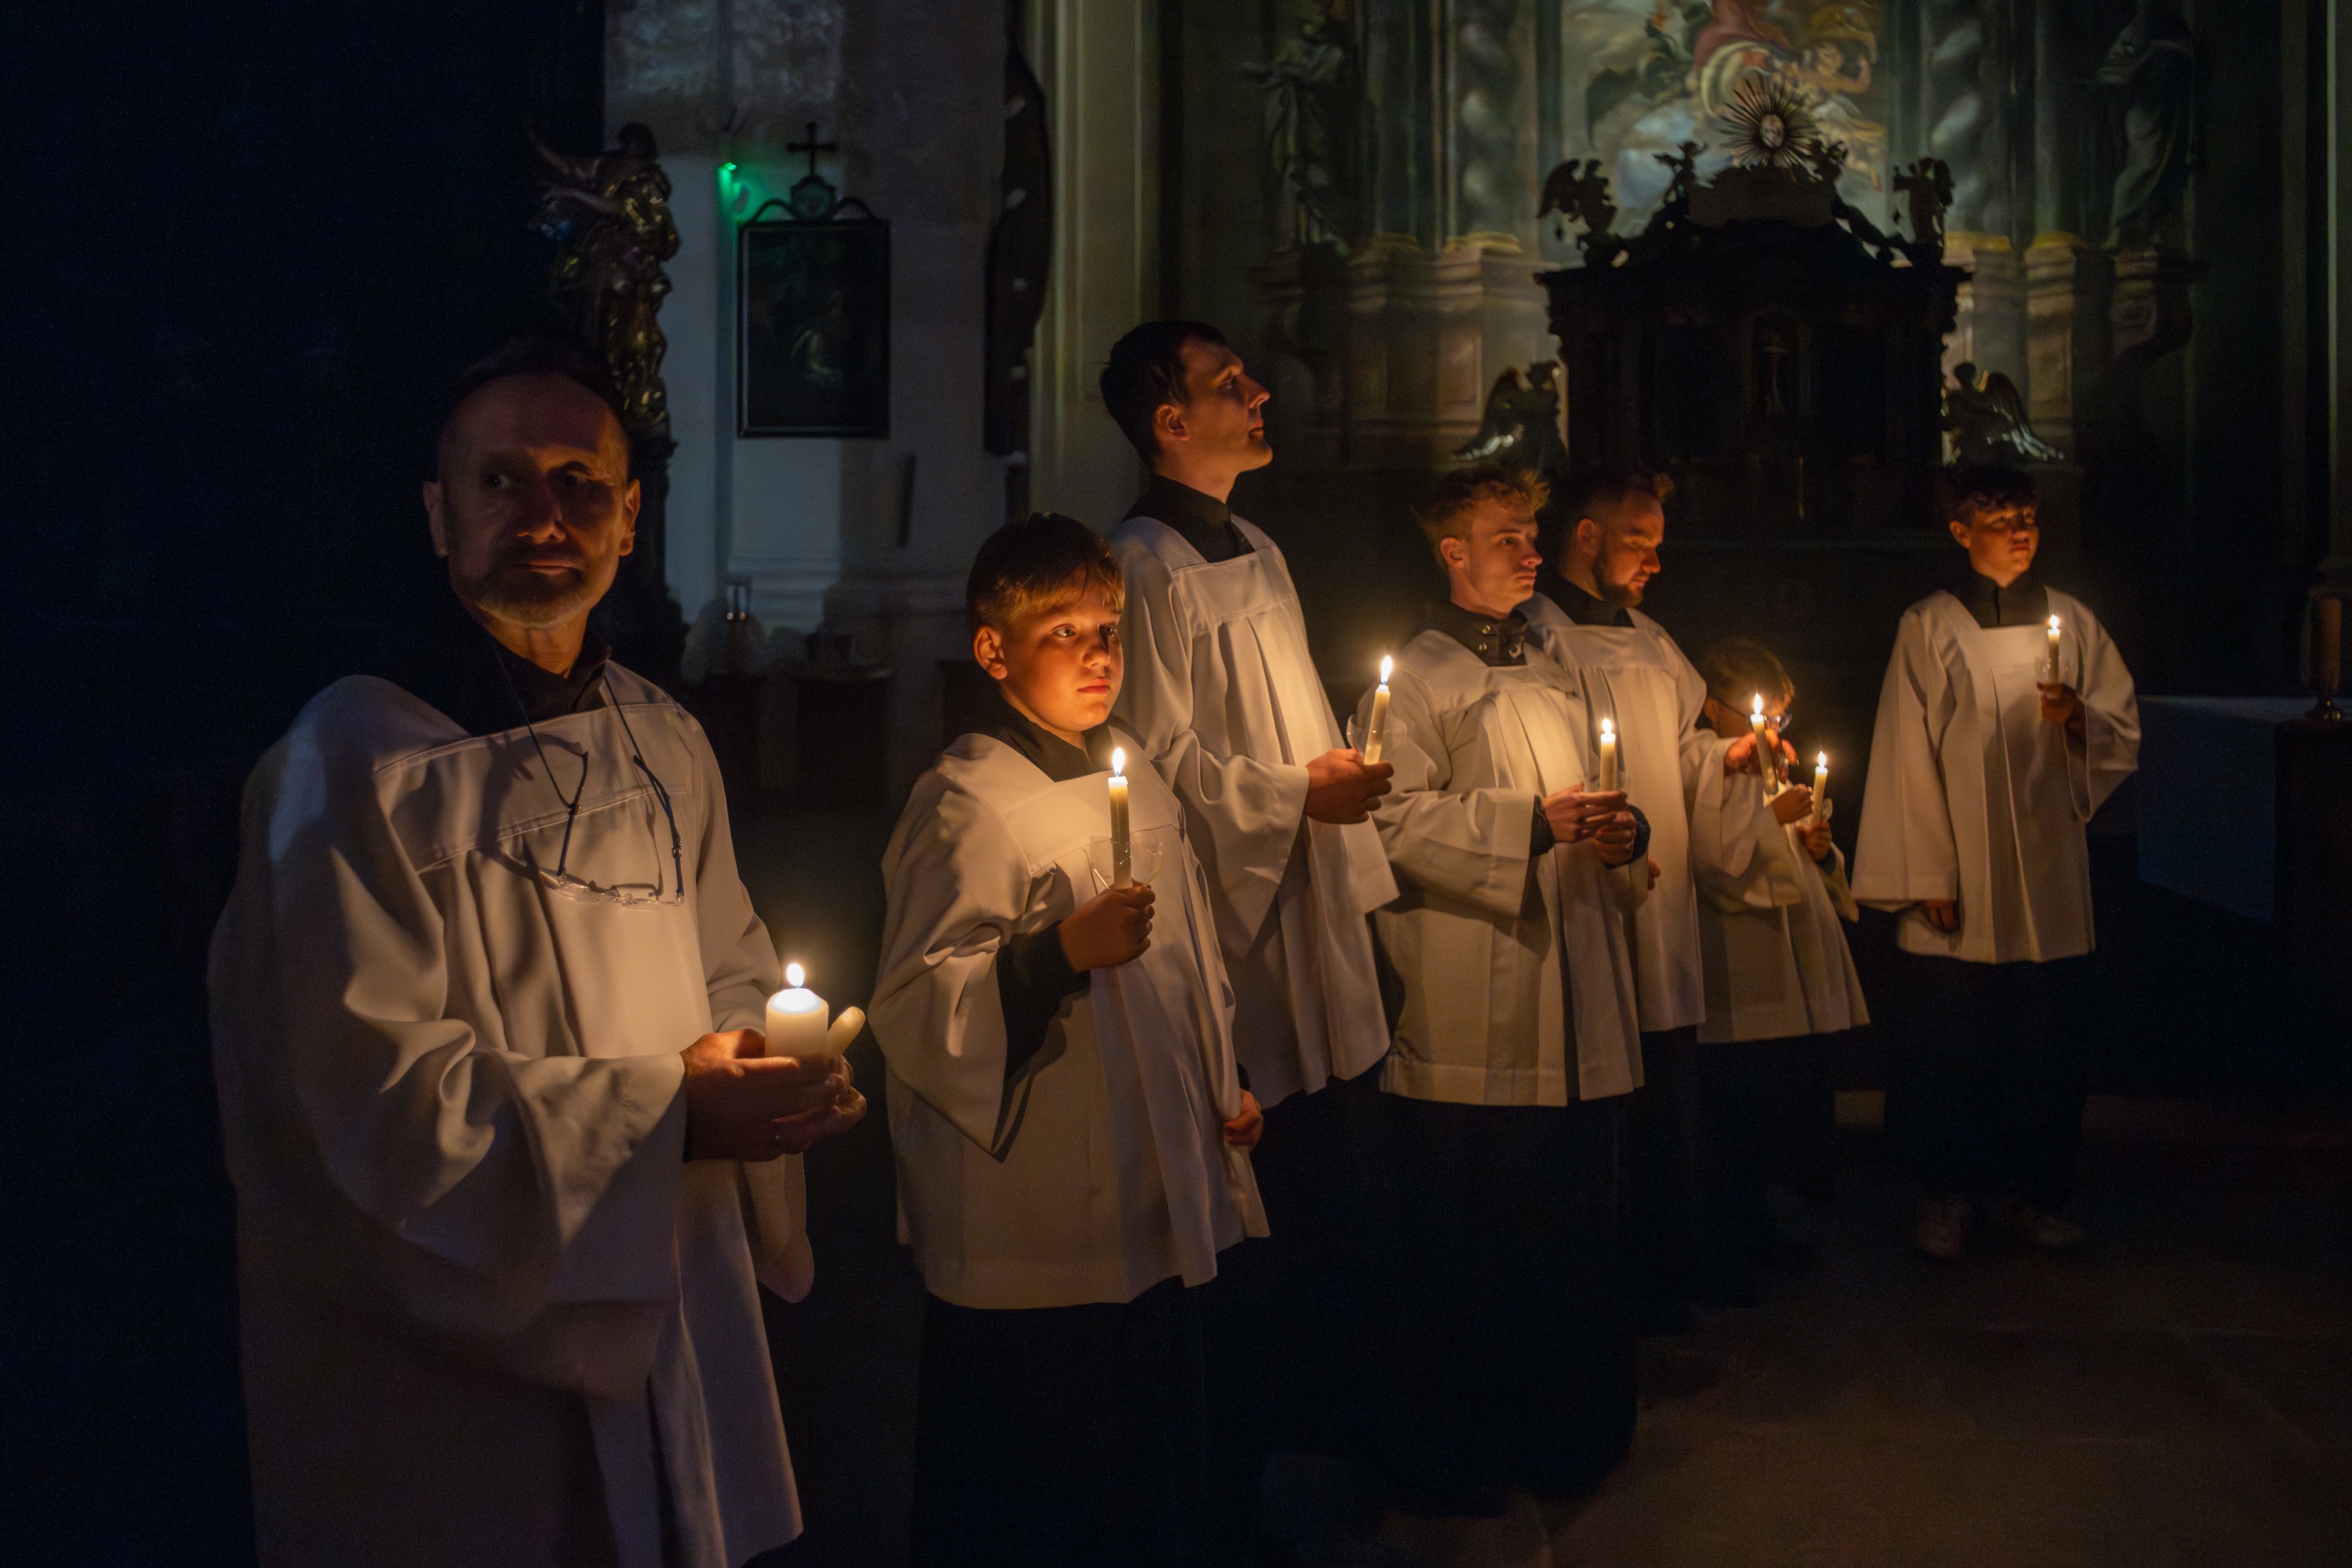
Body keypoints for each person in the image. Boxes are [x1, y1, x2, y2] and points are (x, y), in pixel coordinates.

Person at [208, 339, 867, 1568]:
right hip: (455, 1390)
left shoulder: (662, 740)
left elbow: (731, 956)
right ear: (437, 511)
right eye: (500, 480)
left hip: (661, 1297)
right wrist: (672, 1116)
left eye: (579, 482)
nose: (545, 517)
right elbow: (362, 1118)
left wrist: (765, 1072)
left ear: (629, 517)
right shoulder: (350, 770)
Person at [871, 512, 1267, 1568]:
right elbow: (915, 1001)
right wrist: (1052, 956)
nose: (1098, 656)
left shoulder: (1135, 777)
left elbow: (1189, 960)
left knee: (1145, 1461)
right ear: (993, 650)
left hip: (1152, 1183)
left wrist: (1222, 1080)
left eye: (1108, 632)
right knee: (1045, 1479)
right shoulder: (966, 803)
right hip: (1040, 1222)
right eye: (1064, 633)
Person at [1098, 321, 1397, 1500]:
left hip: (1309, 895)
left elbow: (1294, 717)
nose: (1260, 391)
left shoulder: (1259, 548)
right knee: (1258, 1194)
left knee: (1332, 1184)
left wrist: (1338, 792)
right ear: (1170, 423)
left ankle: (1330, 1425)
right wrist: (1290, 796)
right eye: (1230, 384)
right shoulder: (1140, 563)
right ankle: (1243, 1467)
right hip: (1239, 918)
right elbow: (1152, 757)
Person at [1360, 467, 1648, 1513]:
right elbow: (1386, 819)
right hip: (1474, 996)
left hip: (1573, 979)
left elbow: (1606, 784)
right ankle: (1466, 1445)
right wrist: (1528, 823)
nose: (1531, 553)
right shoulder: (1415, 677)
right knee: (1477, 1237)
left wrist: (1623, 830)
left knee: (1569, 1233)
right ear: (1453, 552)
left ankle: (1569, 1433)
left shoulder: (1555, 657)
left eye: (1532, 535)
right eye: (1506, 538)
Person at [1855, 464, 2139, 1259]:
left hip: (2048, 869)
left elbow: (2119, 725)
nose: (2020, 532)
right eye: (2001, 519)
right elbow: (1906, 751)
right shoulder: (1930, 625)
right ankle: (1947, 1193)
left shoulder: (2072, 621)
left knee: (2041, 1037)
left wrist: (2078, 718)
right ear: (1961, 531)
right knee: (1953, 1041)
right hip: (1962, 869)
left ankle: (2029, 1191)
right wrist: (1926, 873)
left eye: (2027, 518)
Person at [1522, 466, 1770, 1325]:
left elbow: (1681, 753)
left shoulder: (1654, 643)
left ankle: (1670, 1270)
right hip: (1587, 891)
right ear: (1586, 536)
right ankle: (1603, 1280)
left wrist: (1724, 759)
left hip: (1657, 908)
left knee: (1665, 1084)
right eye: (1640, 542)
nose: (1656, 563)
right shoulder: (1536, 636)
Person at [1689, 637, 1869, 1302]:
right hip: (1737, 956)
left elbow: (1801, 860)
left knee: (1773, 1108)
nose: (1768, 728)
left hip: (1789, 951)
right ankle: (1722, 1245)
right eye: (1757, 713)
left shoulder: (1771, 764)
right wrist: (1771, 819)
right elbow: (1710, 861)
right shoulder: (1701, 764)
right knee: (1730, 1112)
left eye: (1779, 716)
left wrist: (1818, 850)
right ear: (1712, 707)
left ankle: (1761, 1227)